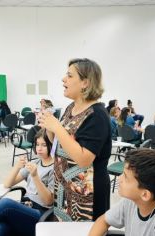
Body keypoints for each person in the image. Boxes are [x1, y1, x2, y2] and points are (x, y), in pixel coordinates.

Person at [38, 58, 112, 221]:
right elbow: (60, 141)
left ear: (85, 82)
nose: (63, 79)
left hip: (87, 193)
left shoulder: (97, 115)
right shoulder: (71, 108)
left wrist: (57, 127)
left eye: (70, 76)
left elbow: (84, 159)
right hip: (65, 186)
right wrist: (50, 128)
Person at [0, 130, 54, 236]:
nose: (39, 148)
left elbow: (48, 200)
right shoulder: (36, 162)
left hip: (40, 214)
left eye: (44, 145)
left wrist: (35, 177)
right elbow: (7, 184)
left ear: (52, 145)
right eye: (37, 144)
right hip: (24, 209)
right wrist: (17, 167)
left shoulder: (55, 169)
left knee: (6, 203)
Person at [88, 149, 155, 236]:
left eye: (125, 177)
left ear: (145, 195)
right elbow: (103, 221)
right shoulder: (130, 202)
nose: (120, 178)